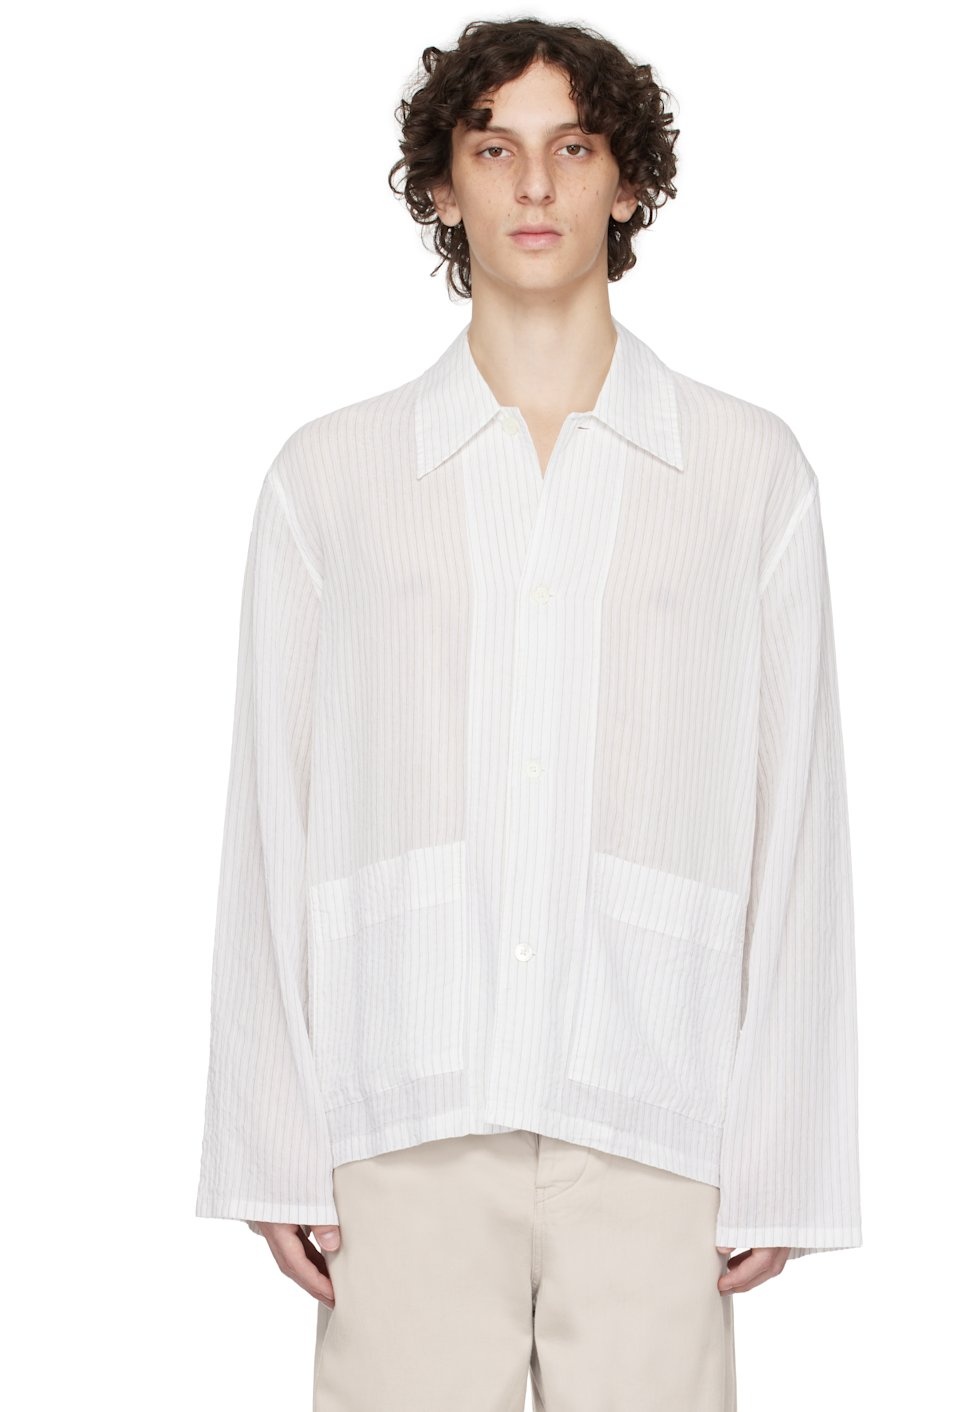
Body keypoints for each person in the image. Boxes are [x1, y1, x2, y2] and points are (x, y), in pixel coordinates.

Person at [194, 16, 862, 1411]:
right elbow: (272, 808)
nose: (538, 186)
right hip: (404, 1113)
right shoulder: (333, 480)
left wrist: (787, 1148)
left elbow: (798, 812)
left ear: (630, 182)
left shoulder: (748, 473)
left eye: (576, 147)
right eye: (495, 151)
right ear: (444, 187)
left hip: (658, 1112)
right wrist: (268, 1135)